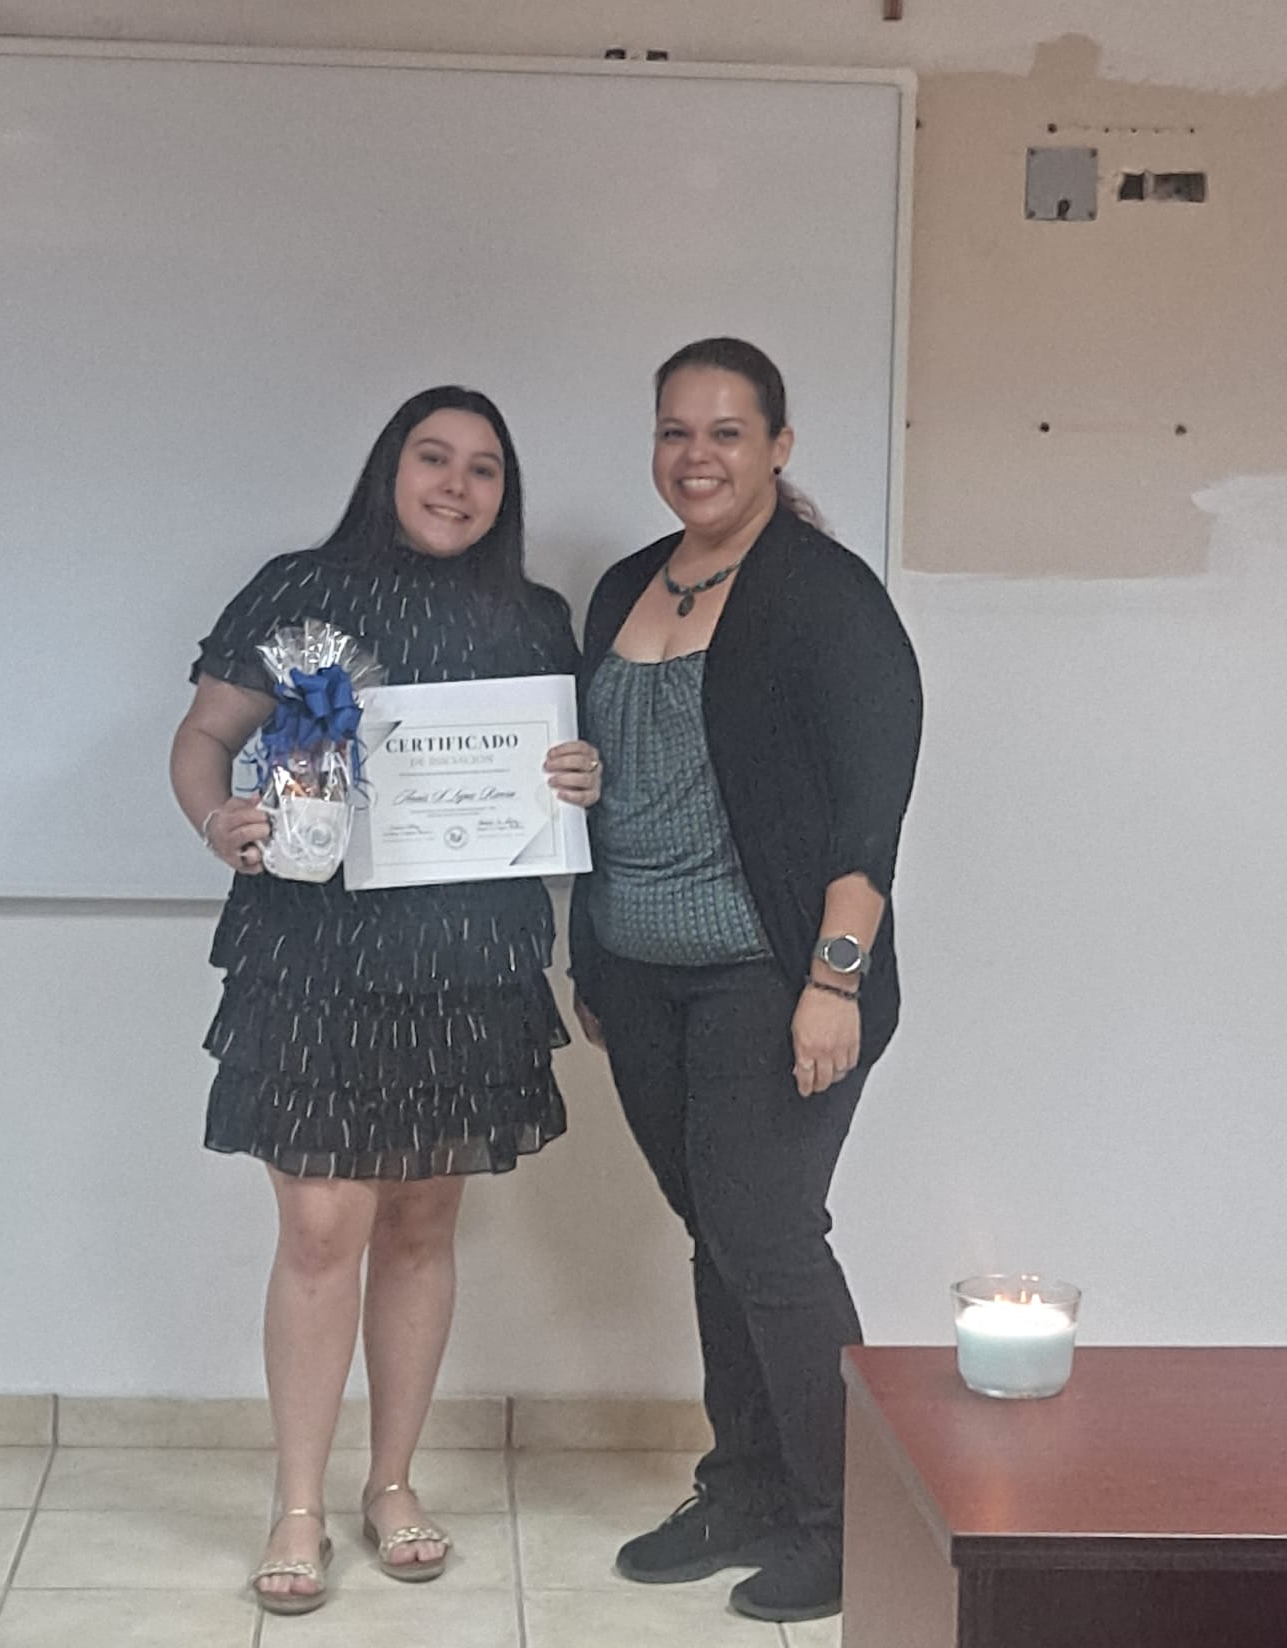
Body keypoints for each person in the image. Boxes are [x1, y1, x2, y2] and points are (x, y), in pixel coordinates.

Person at [170, 386, 601, 1617]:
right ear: (388, 467)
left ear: (505, 491)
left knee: (420, 1225)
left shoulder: (536, 615)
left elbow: (555, 769)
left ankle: (393, 1482)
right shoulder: (297, 589)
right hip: (315, 953)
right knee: (321, 1231)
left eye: (484, 466)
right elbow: (203, 738)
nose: (457, 484)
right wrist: (218, 818)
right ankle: (298, 1503)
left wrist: (580, 770)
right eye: (434, 457)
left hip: (468, 959)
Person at [569, 337, 922, 1626]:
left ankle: (849, 1522)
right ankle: (746, 1488)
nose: (697, 455)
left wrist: (835, 981)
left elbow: (869, 812)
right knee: (718, 1233)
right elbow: (613, 781)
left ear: (778, 445)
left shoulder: (826, 595)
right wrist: (588, 939)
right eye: (675, 430)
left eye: (725, 431)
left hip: (771, 977)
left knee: (769, 1237)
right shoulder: (623, 586)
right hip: (640, 975)